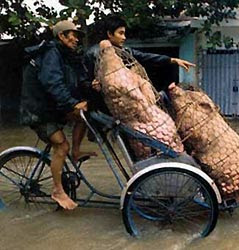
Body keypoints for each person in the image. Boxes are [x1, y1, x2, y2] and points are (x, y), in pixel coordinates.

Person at [20, 20, 90, 210]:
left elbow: (78, 79)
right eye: (73, 35)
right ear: (62, 36)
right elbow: (53, 84)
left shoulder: (66, 55)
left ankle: (75, 153)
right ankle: (57, 190)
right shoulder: (52, 54)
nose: (76, 39)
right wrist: (72, 104)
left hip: (52, 107)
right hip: (38, 110)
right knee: (61, 145)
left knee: (86, 117)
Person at [84, 15, 196, 113]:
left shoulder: (126, 52)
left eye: (124, 33)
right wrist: (92, 85)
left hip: (127, 99)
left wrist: (172, 60)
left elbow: (146, 57)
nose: (124, 37)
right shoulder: (92, 54)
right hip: (105, 103)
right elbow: (83, 81)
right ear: (109, 34)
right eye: (120, 33)